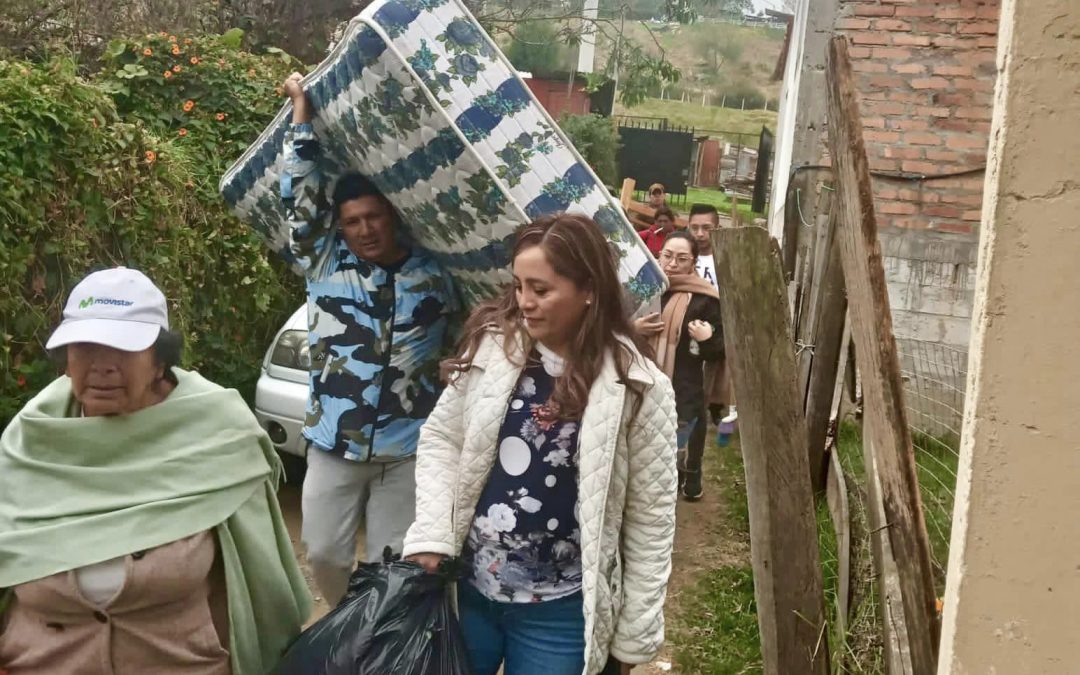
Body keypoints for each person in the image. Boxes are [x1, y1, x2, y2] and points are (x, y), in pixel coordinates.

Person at [402, 214, 678, 675]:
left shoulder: (638, 388)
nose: (524, 303)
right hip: (468, 594)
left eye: (541, 289)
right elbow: (441, 439)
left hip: (560, 614)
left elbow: (651, 520)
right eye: (518, 286)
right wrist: (432, 532)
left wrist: (632, 636)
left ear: (588, 289)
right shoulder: (493, 352)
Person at [0, 267, 312, 674]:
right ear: (65, 360)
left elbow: (260, 579)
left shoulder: (219, 434)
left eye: (123, 349)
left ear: (160, 360)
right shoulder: (30, 440)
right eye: (85, 347)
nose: (103, 365)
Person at [278, 72, 460, 606]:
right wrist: (301, 116)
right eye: (353, 221)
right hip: (336, 442)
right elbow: (300, 196)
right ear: (341, 226)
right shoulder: (323, 261)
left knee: (393, 564)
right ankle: (344, 619)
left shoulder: (433, 275)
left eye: (374, 216)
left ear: (393, 217)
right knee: (323, 553)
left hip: (407, 448)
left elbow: (481, 323)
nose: (365, 229)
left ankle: (374, 644)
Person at [635, 232, 724, 501]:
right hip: (643, 376)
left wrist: (708, 339)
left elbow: (722, 348)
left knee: (681, 434)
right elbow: (614, 326)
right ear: (659, 254)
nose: (672, 263)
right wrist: (633, 328)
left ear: (693, 262)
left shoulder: (704, 298)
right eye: (667, 255)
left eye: (681, 258)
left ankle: (689, 473)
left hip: (684, 382)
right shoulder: (645, 289)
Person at [687, 204, 736, 425]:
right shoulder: (685, 257)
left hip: (718, 320)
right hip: (690, 320)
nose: (700, 233)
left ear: (716, 227)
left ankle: (716, 406)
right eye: (695, 227)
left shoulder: (726, 258)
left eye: (706, 228)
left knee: (718, 366)